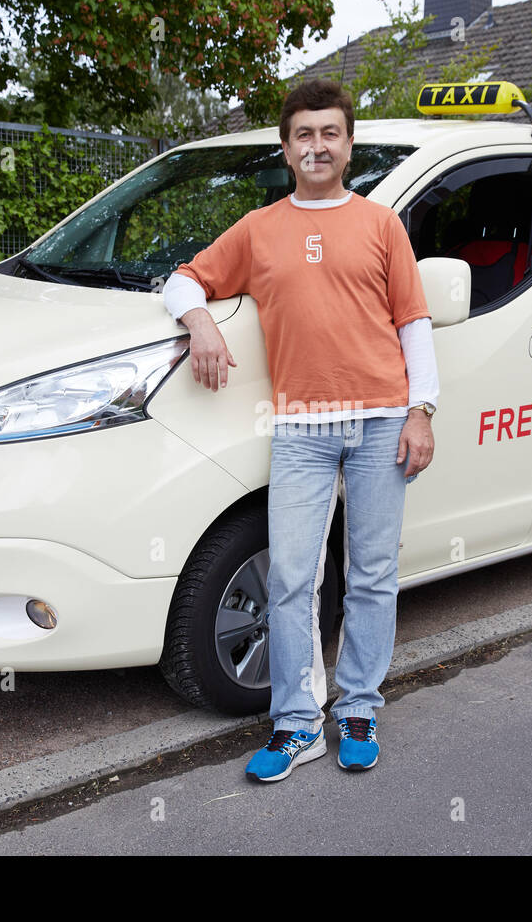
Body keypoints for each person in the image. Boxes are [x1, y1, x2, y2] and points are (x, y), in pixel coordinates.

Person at [161, 79, 439, 782]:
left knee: (373, 574)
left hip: (381, 421)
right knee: (291, 578)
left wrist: (421, 411)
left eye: (330, 133)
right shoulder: (258, 230)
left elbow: (414, 322)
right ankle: (295, 725)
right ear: (286, 149)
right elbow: (184, 282)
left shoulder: (381, 225)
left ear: (348, 145)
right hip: (302, 427)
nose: (317, 145)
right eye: (304, 135)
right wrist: (198, 324)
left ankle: (359, 709)